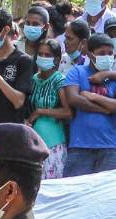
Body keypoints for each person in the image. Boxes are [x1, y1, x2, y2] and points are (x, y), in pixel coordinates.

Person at [64, 34, 116, 175]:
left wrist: (93, 96)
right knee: (77, 191)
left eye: (110, 53)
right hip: (80, 145)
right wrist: (105, 109)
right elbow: (74, 98)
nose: (107, 56)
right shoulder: (77, 71)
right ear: (90, 54)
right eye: (102, 53)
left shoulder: (113, 78)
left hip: (109, 146)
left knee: (105, 194)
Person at [27, 40, 71, 178]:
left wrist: (40, 112)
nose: (43, 58)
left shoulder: (59, 80)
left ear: (56, 58)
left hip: (53, 142)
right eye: (40, 54)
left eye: (47, 55)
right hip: (34, 143)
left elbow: (68, 111)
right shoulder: (33, 79)